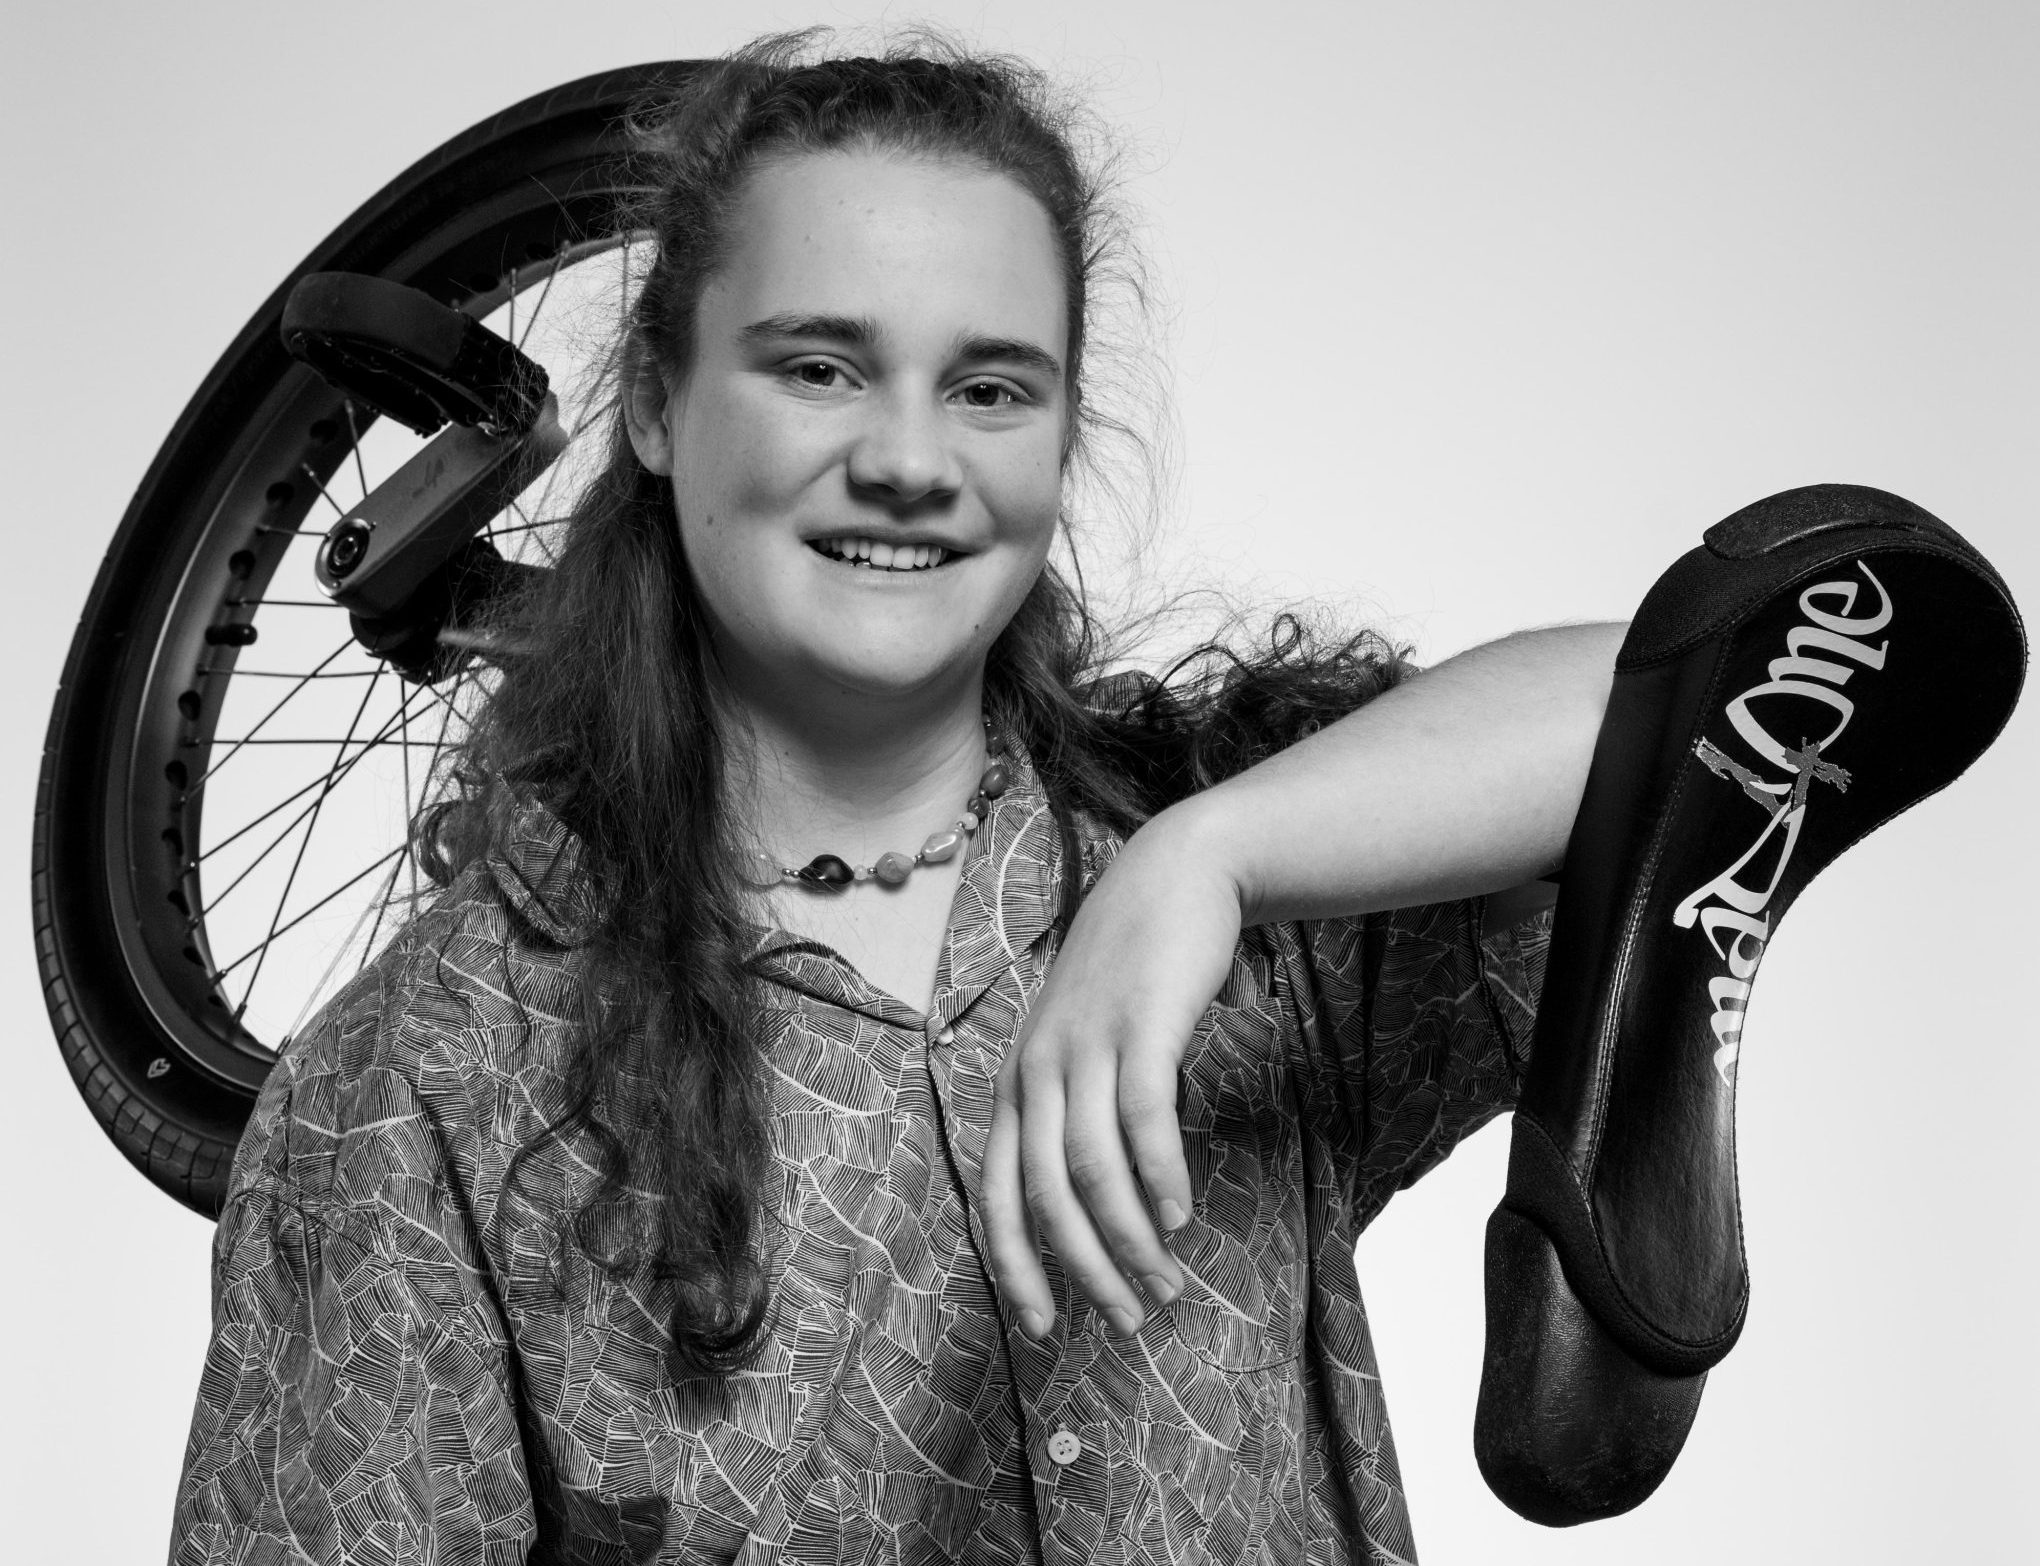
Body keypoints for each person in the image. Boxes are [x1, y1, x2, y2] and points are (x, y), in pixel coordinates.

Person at [172, 33, 1624, 1565]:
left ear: (1063, 445)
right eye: (820, 368)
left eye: (991, 387)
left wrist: (1215, 856)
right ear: (658, 408)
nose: (913, 460)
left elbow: (1730, 692)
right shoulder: (426, 1077)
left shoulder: (1258, 913)